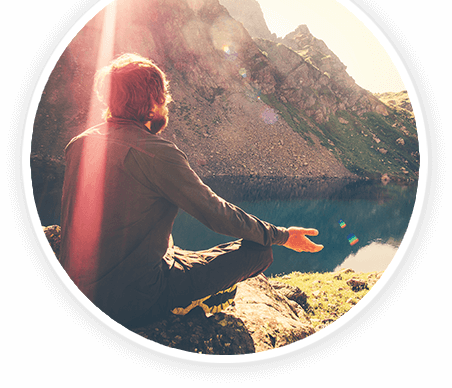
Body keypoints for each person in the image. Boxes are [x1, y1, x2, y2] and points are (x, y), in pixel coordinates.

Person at [59, 53, 323, 328]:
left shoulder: (79, 143)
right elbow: (217, 214)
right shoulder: (156, 153)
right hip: (133, 302)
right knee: (260, 252)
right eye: (163, 95)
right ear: (154, 99)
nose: (167, 102)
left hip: (81, 290)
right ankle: (193, 303)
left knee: (174, 249)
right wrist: (282, 235)